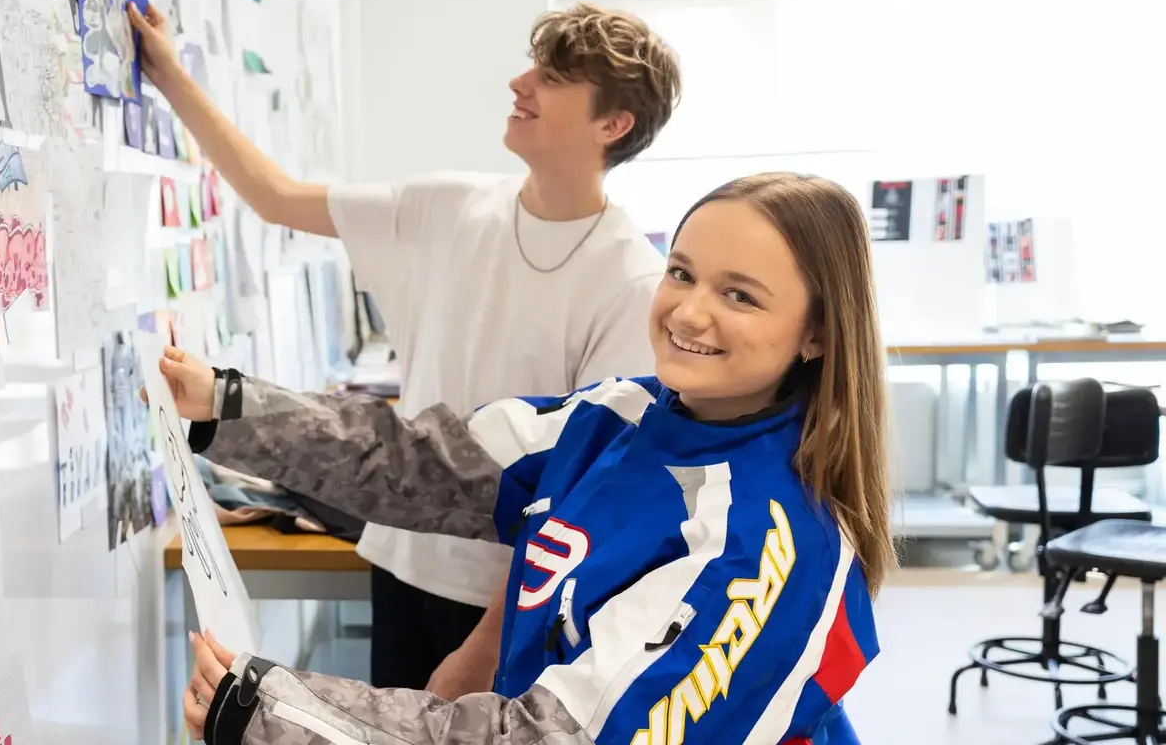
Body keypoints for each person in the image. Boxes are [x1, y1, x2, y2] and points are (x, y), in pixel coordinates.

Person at [162, 172, 894, 744]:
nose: (690, 311)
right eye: (681, 272)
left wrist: (265, 712)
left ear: (818, 336)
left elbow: (551, 740)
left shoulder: (764, 551)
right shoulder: (621, 415)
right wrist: (228, 406)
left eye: (739, 294)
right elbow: (427, 464)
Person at [129, 2, 684, 698]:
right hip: (399, 559)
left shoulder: (630, 280)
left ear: (613, 124)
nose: (520, 83)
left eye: (551, 76)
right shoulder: (445, 207)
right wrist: (169, 74)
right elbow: (274, 197)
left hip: (504, 602)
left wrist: (485, 646)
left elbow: (579, 489)